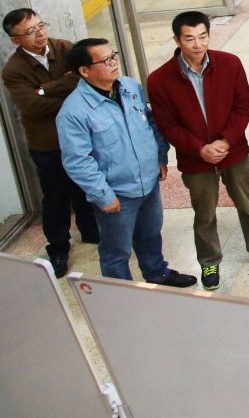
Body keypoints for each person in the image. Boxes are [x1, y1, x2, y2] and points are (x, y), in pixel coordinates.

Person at [56, 39, 195, 287]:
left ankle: (157, 274)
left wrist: (160, 157)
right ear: (84, 70)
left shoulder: (130, 87)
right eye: (105, 60)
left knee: (150, 234)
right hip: (117, 193)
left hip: (148, 182)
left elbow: (151, 122)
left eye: (114, 56)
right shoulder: (74, 111)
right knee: (117, 250)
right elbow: (77, 161)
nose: (113, 63)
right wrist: (103, 195)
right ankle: (122, 293)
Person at [147, 11, 249, 290]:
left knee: (247, 203)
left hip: (233, 151)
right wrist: (199, 149)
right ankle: (209, 260)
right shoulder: (159, 80)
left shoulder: (230, 64)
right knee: (204, 213)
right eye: (190, 38)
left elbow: (243, 106)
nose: (198, 44)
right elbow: (167, 124)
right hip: (195, 159)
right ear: (177, 40)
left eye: (203, 36)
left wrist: (226, 141)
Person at [0, 8, 100, 276]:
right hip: (47, 142)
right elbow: (33, 107)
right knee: (56, 196)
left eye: (41, 25)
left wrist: (45, 89)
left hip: (80, 135)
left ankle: (91, 231)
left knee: (86, 187)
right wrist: (67, 91)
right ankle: (58, 246)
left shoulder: (65, 48)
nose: (40, 33)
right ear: (15, 40)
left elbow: (85, 79)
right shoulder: (13, 70)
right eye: (30, 31)